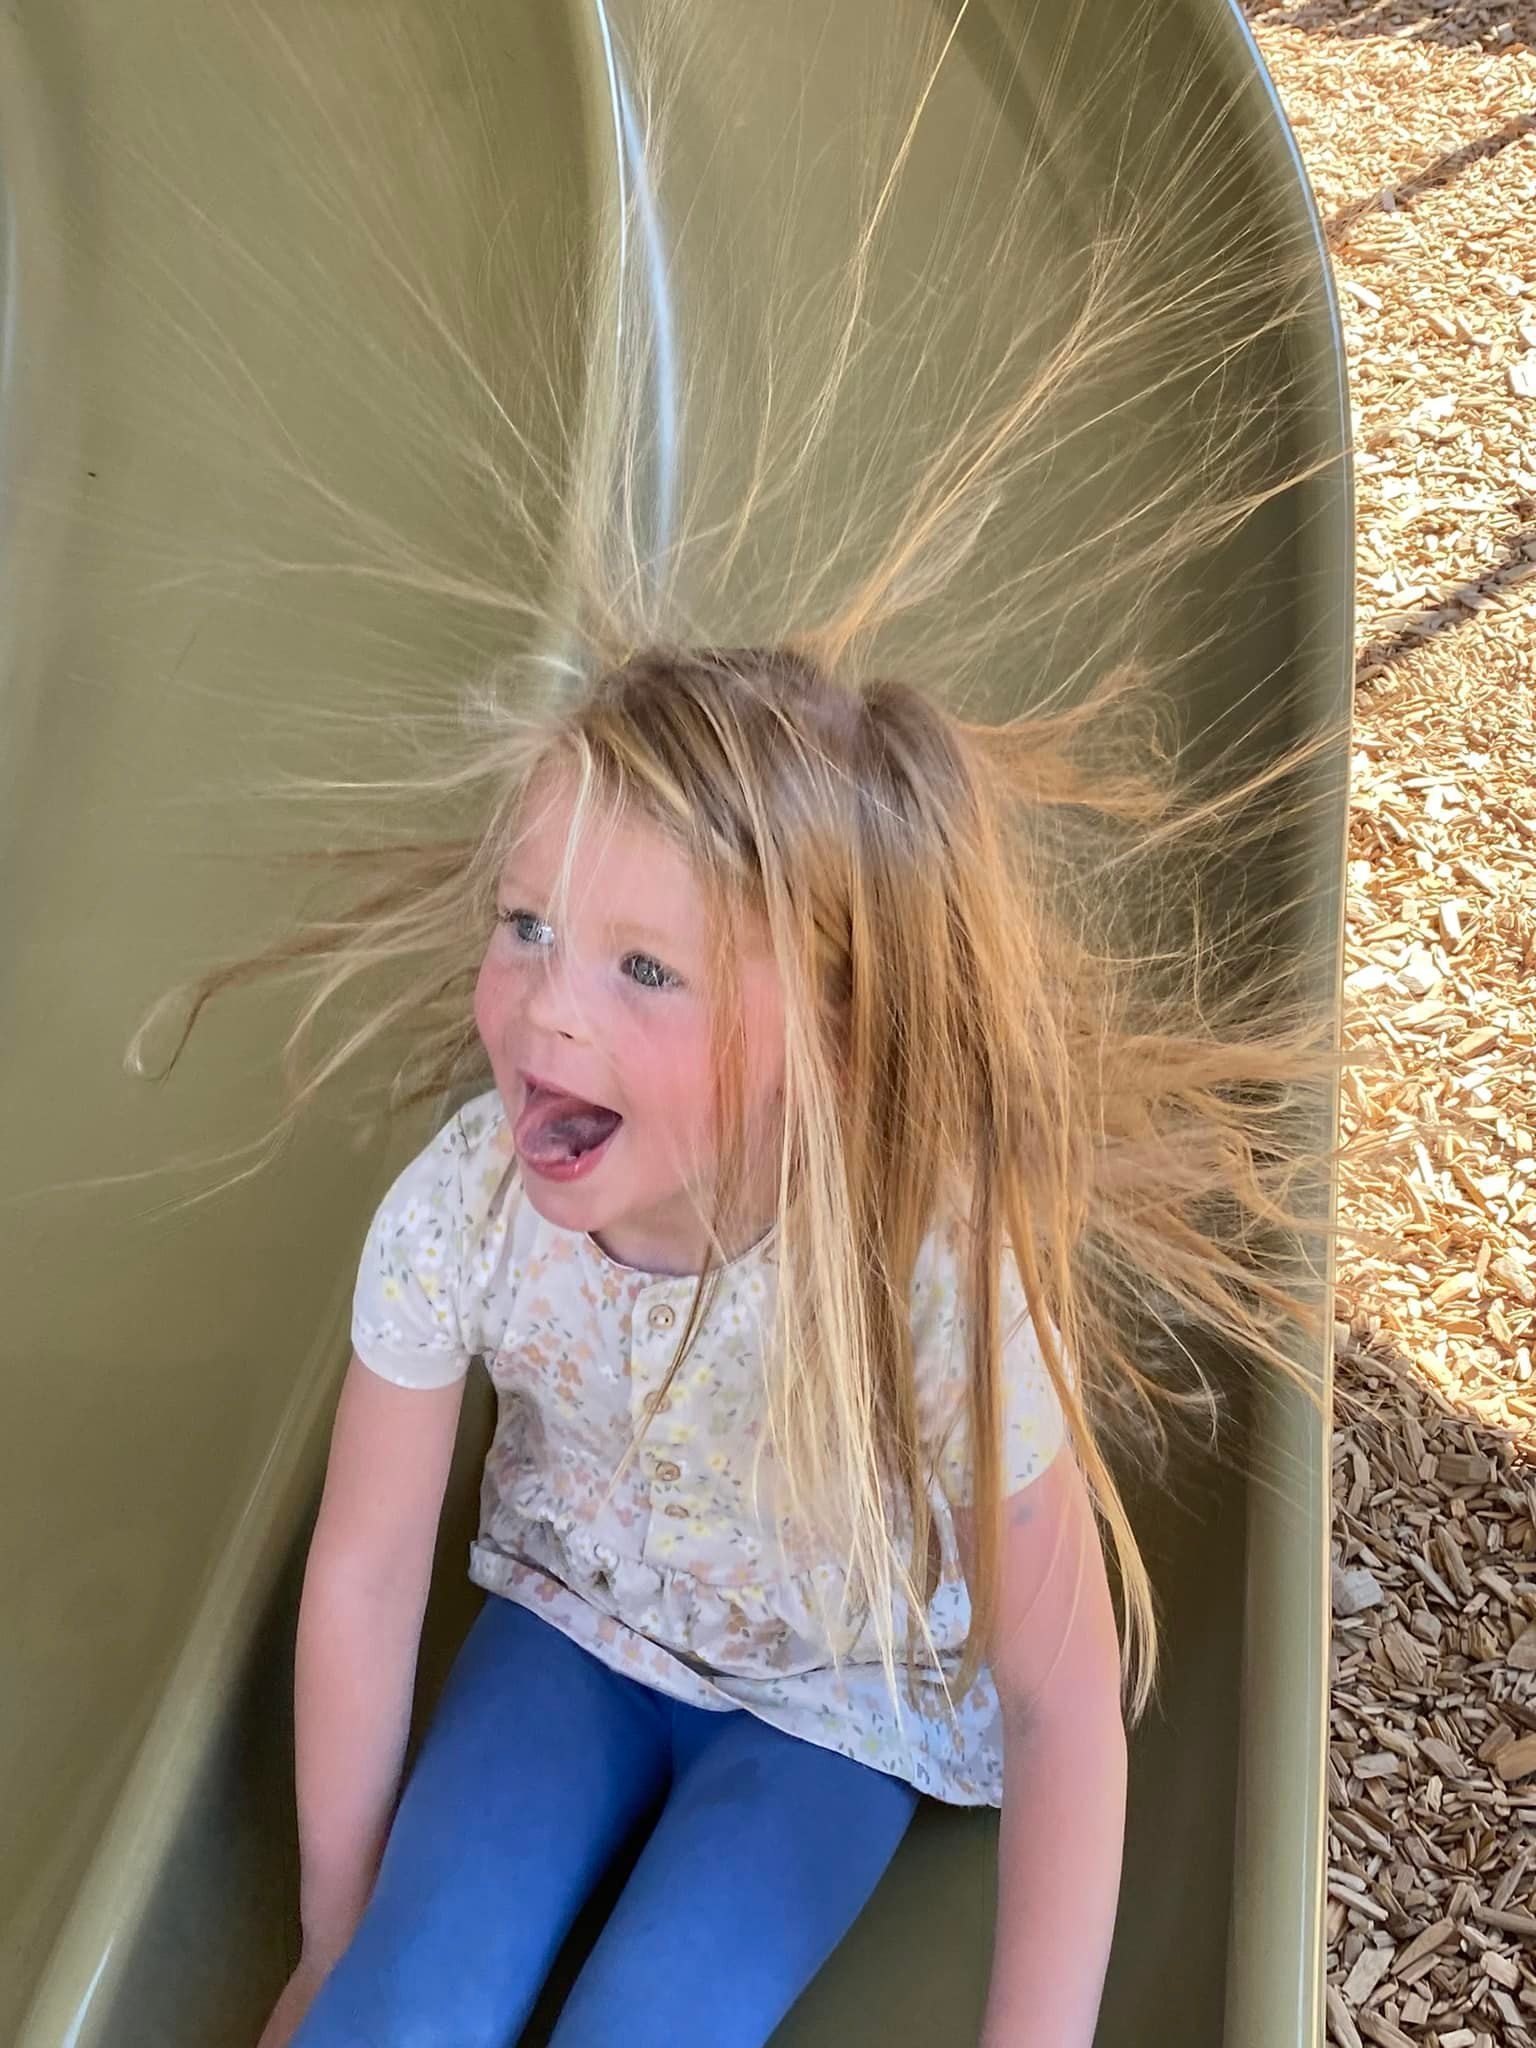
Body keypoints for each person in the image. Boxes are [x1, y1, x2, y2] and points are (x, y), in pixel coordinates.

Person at [256, 646, 1135, 2048]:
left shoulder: (929, 1281)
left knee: (644, 2027)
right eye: (527, 923)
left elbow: (1061, 1693)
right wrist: (330, 1935)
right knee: (396, 2011)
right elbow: (362, 1572)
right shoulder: (465, 1208)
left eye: (646, 969)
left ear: (833, 1040)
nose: (549, 1006)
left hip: (832, 1708)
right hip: (568, 1625)